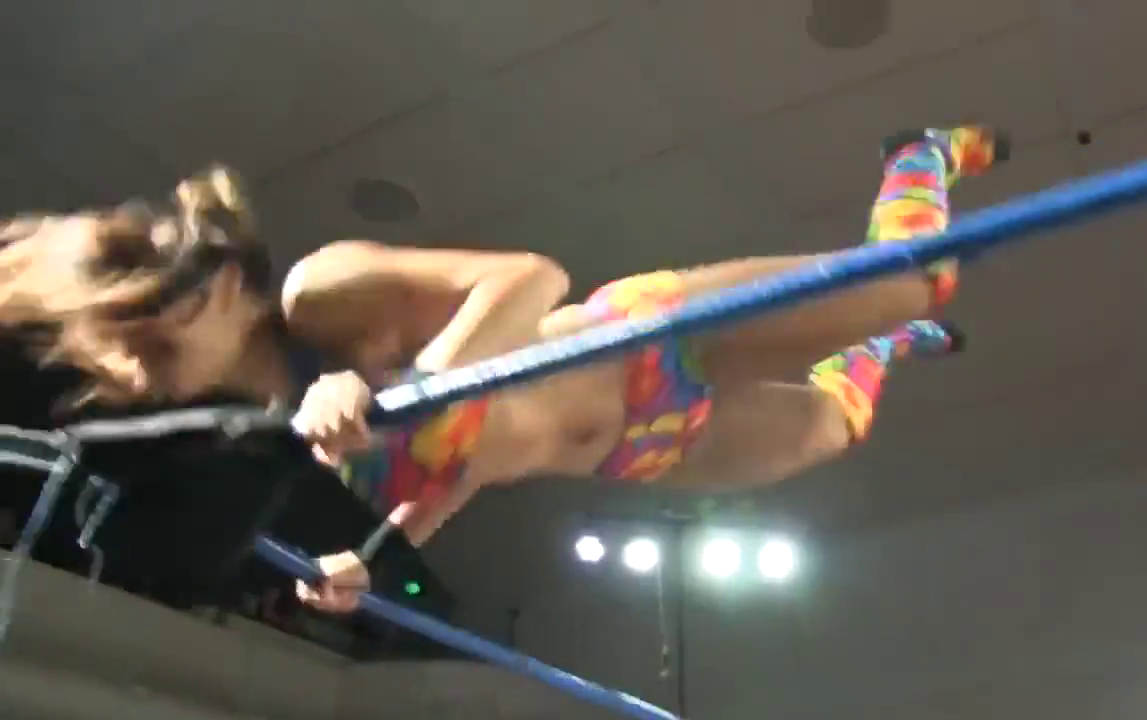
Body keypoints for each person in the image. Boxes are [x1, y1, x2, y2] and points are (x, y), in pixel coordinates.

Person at [0, 125, 1007, 613]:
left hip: (642, 346)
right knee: (835, 427)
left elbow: (531, 278)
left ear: (214, 291)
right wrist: (377, 557)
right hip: (631, 451)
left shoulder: (322, 298)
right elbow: (463, 464)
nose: (151, 379)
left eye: (152, 347)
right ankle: (882, 346)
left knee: (916, 281)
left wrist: (413, 387)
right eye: (134, 368)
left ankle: (915, 157)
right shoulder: (281, 441)